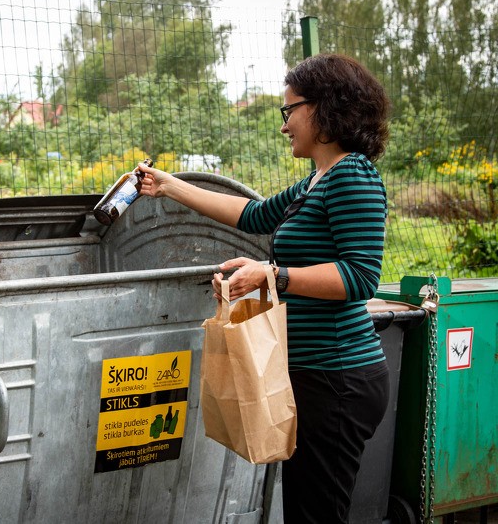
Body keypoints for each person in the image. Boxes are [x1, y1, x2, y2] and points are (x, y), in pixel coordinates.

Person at [137, 53, 391, 523]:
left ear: (324, 108)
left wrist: (272, 275)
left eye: (289, 110)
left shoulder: (352, 176)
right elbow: (251, 215)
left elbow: (359, 276)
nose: (284, 125)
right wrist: (170, 186)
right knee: (305, 511)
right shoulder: (317, 180)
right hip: (314, 376)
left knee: (315, 515)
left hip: (337, 379)